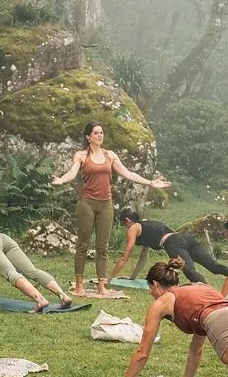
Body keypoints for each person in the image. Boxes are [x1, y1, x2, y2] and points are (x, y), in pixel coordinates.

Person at [51, 123, 170, 296]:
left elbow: (128, 174)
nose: (100, 135)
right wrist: (61, 180)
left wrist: (150, 183)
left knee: (102, 247)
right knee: (83, 244)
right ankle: (79, 284)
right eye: (96, 133)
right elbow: (72, 172)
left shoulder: (110, 155)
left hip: (106, 204)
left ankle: (101, 285)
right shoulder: (81, 155)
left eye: (101, 132)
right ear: (88, 136)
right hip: (87, 203)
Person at [108, 210, 228, 293]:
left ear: (127, 221)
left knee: (189, 271)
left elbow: (124, 256)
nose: (124, 228)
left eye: (123, 224)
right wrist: (132, 278)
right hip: (185, 238)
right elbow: (143, 257)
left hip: (173, 243)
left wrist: (109, 279)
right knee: (214, 266)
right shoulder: (146, 226)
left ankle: (210, 295)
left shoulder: (133, 228)